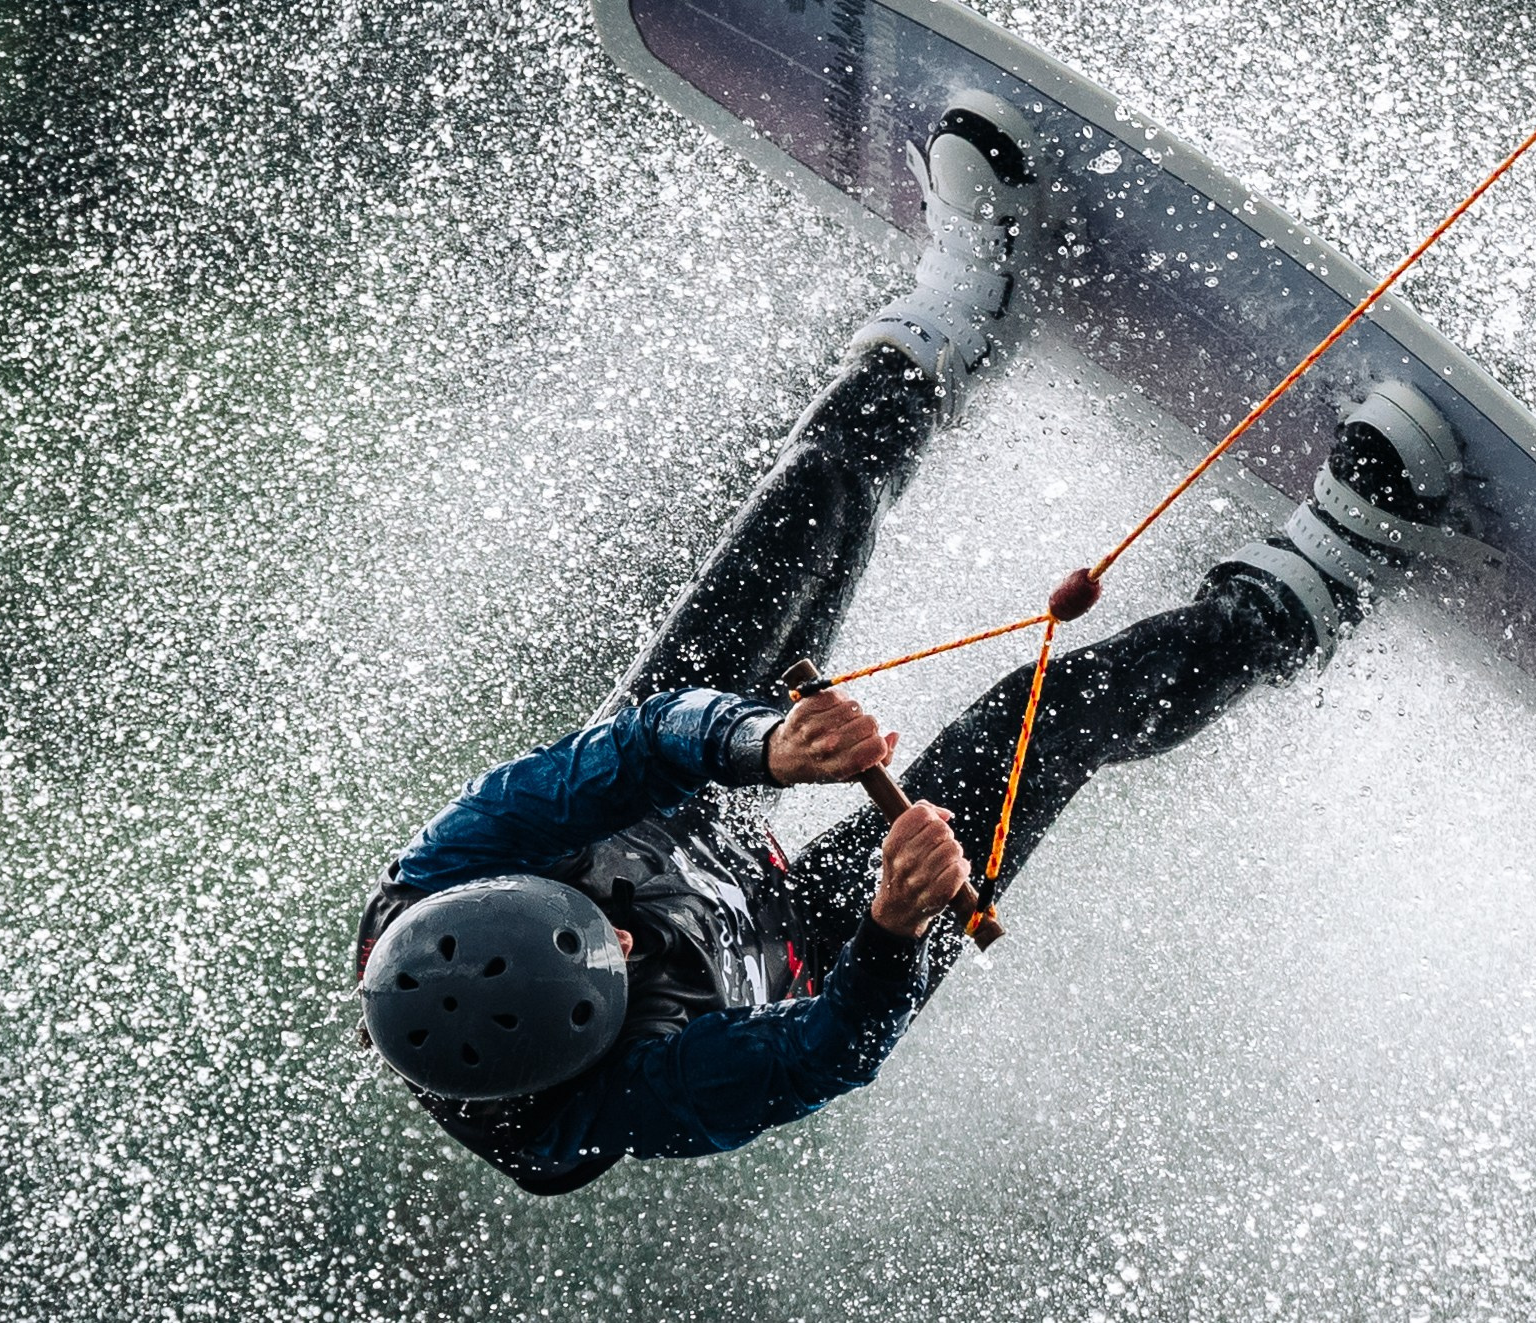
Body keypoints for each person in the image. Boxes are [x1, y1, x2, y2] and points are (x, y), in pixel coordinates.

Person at [353, 92, 1471, 1194]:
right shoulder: (645, 1096)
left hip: (667, 804)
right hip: (806, 943)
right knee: (1043, 712)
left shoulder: (451, 866)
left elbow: (636, 749)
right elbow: (829, 1051)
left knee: (806, 506)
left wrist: (765, 747)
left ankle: (955, 306)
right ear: (589, 1038)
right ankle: (1313, 586)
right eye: (618, 968)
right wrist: (892, 926)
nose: (630, 940)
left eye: (597, 925)